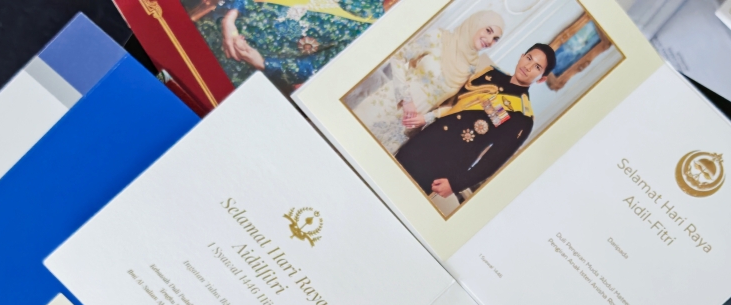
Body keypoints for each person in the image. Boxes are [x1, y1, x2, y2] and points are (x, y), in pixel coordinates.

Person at [395, 44, 556, 204]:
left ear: (541, 79)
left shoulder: (522, 117)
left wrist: (456, 184)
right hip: (426, 139)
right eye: (528, 58)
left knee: (404, 202)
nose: (527, 67)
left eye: (536, 67)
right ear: (521, 56)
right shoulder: (490, 75)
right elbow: (453, 104)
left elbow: (494, 159)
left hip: (446, 164)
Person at [352, 10, 504, 154]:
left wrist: (427, 118)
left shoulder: (474, 70)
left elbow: (453, 105)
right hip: (387, 104)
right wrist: (406, 100)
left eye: (496, 39)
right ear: (475, 24)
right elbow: (398, 57)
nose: (490, 40)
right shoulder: (438, 38)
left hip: (406, 127)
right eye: (488, 31)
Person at [195, 0, 400, 93]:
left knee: (186, 94)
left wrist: (262, 62)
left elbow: (315, 67)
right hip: (215, 26)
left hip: (240, 68)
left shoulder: (372, 25)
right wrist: (230, 15)